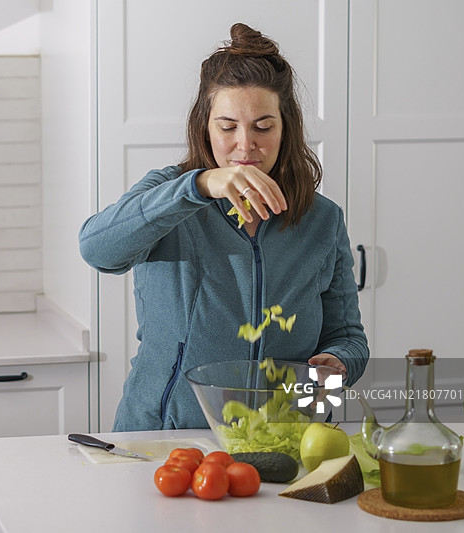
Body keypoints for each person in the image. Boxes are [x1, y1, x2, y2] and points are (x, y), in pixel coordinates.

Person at [78, 23, 369, 431]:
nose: (245, 145)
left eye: (263, 127)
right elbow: (97, 249)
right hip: (166, 437)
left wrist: (338, 363)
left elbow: (348, 336)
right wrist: (198, 186)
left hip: (285, 436)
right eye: (228, 127)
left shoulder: (321, 219)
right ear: (205, 126)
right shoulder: (168, 194)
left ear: (286, 129)